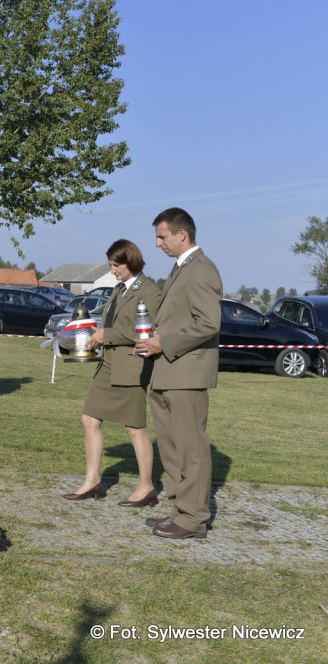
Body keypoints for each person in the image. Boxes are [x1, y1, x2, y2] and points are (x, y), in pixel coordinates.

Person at [135, 207, 222, 540]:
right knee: (171, 449)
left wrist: (164, 343)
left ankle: (194, 519)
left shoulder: (201, 270)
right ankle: (179, 512)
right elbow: (176, 319)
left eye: (162, 236)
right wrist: (149, 342)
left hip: (187, 375)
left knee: (191, 449)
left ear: (181, 234)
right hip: (166, 372)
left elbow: (208, 323)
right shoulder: (180, 269)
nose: (157, 244)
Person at [64, 239, 161, 506]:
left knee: (135, 429)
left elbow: (147, 333)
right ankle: (92, 480)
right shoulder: (119, 288)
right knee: (89, 419)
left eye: (116, 265)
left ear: (130, 261)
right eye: (110, 265)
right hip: (107, 364)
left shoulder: (150, 290)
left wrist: (108, 335)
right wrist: (91, 333)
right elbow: (112, 324)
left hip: (131, 366)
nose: (113, 270)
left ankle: (146, 487)